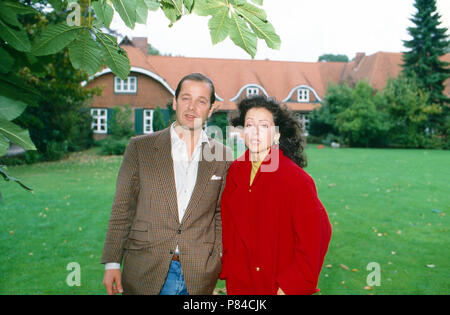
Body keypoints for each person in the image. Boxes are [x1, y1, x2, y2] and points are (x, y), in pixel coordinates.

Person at [101, 73, 232, 295]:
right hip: (145, 269)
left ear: (211, 109)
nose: (192, 107)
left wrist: (217, 256)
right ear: (174, 101)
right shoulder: (140, 148)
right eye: (186, 98)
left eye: (201, 101)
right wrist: (113, 262)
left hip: (199, 274)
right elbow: (123, 208)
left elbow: (220, 213)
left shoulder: (222, 155)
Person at [220, 95, 332, 295]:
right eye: (249, 125)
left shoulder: (295, 179)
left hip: (275, 285)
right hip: (239, 283)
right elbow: (228, 225)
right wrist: (228, 265)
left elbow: (317, 236)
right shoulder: (234, 171)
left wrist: (289, 286)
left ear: (276, 135)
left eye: (264, 126)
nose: (255, 132)